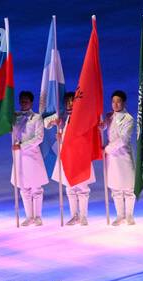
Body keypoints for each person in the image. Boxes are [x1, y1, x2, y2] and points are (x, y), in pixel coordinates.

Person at [47, 91, 96, 226]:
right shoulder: (67, 120)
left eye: (71, 101)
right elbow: (67, 140)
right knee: (70, 188)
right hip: (68, 158)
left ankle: (83, 216)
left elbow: (83, 137)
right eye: (67, 102)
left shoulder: (82, 118)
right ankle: (74, 215)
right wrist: (60, 136)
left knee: (82, 187)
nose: (69, 105)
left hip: (80, 157)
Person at [12, 90, 49, 226]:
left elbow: (39, 138)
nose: (23, 103)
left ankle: (38, 216)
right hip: (19, 157)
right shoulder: (14, 116)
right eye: (21, 101)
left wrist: (22, 146)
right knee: (24, 187)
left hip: (32, 156)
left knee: (36, 188)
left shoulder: (37, 117)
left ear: (31, 102)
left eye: (26, 101)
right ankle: (29, 216)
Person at [103, 90, 136, 225]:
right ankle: (120, 215)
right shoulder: (110, 117)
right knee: (116, 189)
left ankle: (129, 215)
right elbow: (104, 128)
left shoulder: (128, 118)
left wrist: (106, 149)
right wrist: (103, 124)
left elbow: (123, 139)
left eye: (118, 101)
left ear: (123, 102)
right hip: (112, 159)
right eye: (113, 102)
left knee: (128, 188)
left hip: (123, 156)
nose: (115, 104)